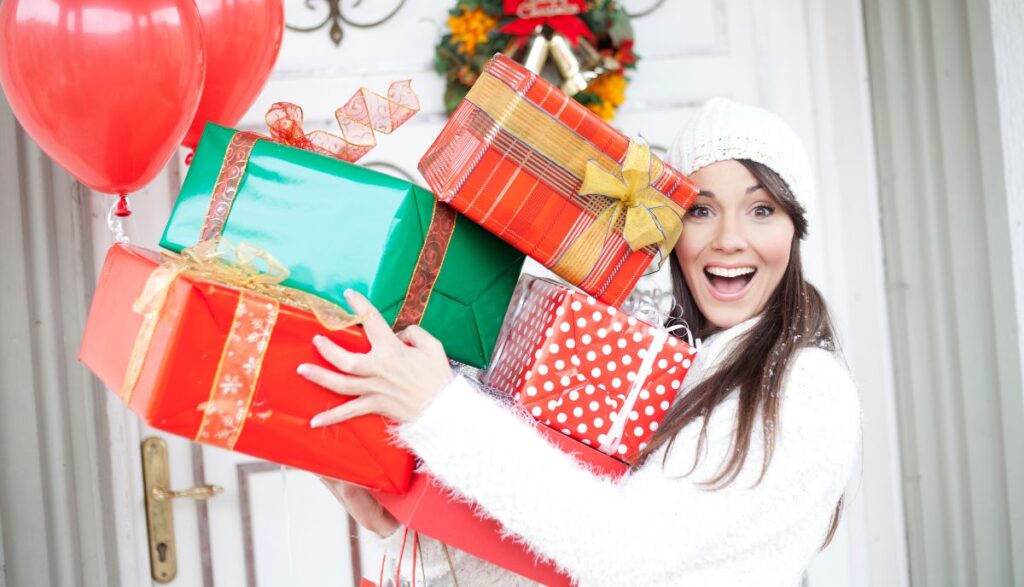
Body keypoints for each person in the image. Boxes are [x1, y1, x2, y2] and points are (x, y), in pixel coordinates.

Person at [298, 98, 861, 586]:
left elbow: (622, 551)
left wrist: (437, 409)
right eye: (701, 211)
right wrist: (396, 515)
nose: (730, 239)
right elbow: (557, 547)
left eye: (762, 210)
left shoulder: (806, 388)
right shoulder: (669, 354)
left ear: (796, 228)